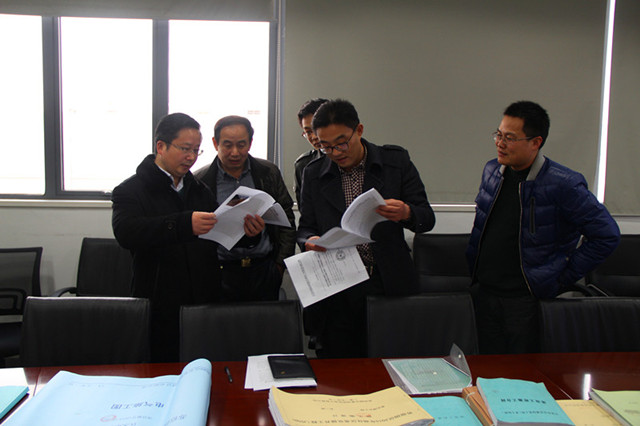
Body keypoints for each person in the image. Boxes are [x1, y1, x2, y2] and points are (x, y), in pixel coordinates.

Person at [466, 100, 620, 355]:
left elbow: (606, 235)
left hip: (525, 302)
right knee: (487, 368)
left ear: (535, 142)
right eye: (498, 135)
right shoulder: (493, 171)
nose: (500, 143)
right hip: (484, 294)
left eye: (509, 138)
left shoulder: (563, 184)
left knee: (522, 371)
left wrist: (560, 277)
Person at [298, 99, 435, 358]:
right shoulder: (313, 172)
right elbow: (305, 227)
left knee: (392, 360)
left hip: (386, 282)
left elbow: (426, 218)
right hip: (338, 288)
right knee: (340, 366)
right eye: (325, 146)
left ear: (359, 130)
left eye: (341, 143)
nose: (335, 152)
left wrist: (406, 212)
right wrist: (309, 239)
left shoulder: (395, 161)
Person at [112, 112, 221, 362]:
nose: (191, 157)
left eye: (196, 150)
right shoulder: (131, 190)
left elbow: (216, 232)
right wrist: (183, 224)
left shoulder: (199, 189)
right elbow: (126, 232)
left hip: (203, 297)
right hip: (159, 299)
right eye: (185, 149)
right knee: (162, 366)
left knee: (203, 365)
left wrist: (246, 232)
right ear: (161, 146)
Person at [195, 115, 296, 301]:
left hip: (264, 270)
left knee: (265, 319)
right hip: (220, 273)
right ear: (215, 143)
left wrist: (279, 265)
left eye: (241, 145)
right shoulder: (201, 180)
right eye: (227, 145)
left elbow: (287, 221)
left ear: (250, 143)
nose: (235, 152)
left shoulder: (268, 172)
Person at [293, 98, 327, 206]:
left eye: (317, 128)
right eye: (308, 132)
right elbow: (304, 208)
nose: (314, 136)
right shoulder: (303, 165)